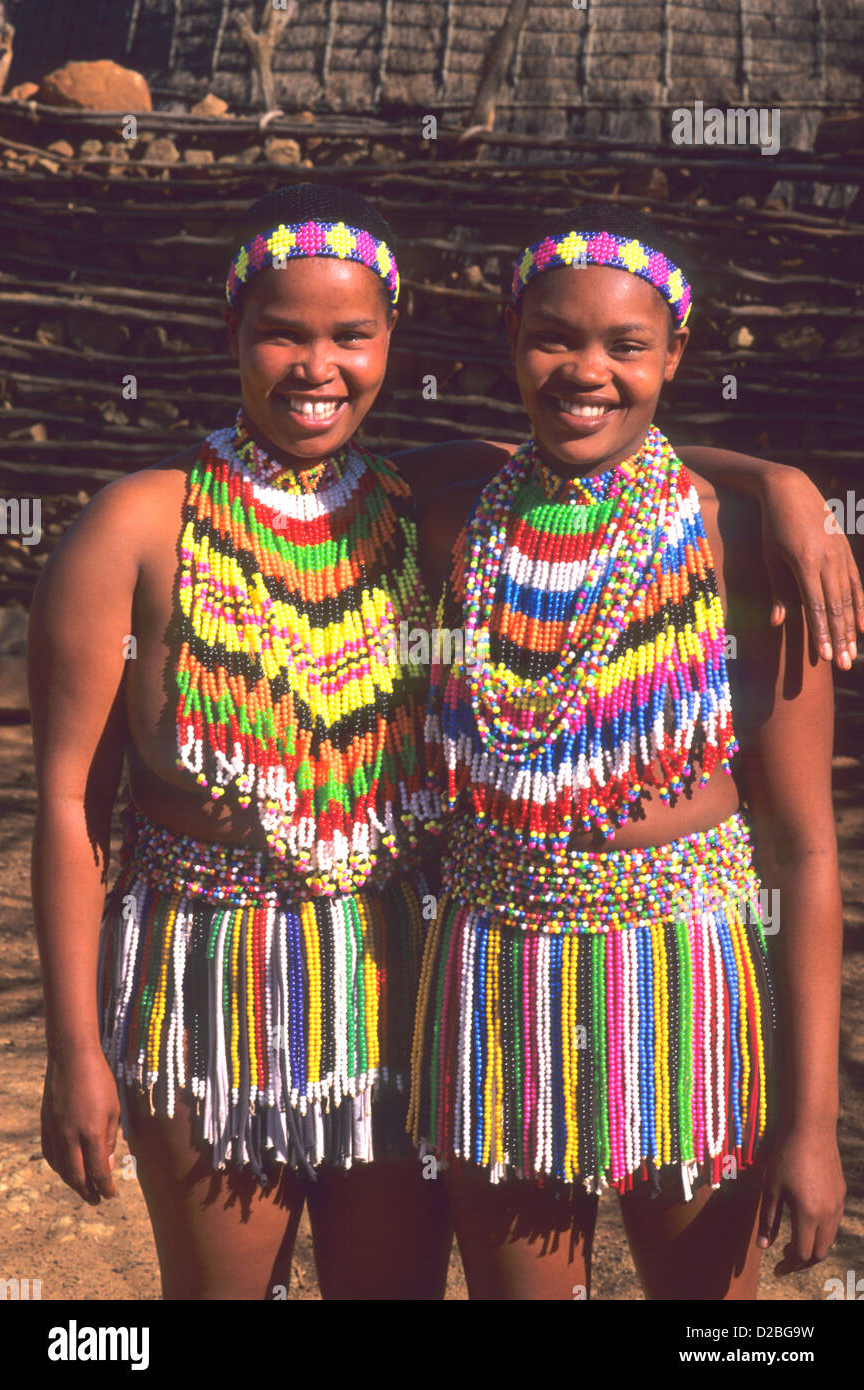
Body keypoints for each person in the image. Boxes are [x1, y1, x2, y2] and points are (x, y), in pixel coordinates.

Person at [31, 187, 857, 1302]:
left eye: (351, 336)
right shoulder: (404, 508)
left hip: (608, 984)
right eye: (284, 330)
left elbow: (803, 851)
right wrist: (74, 1054)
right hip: (373, 990)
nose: (317, 365)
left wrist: (785, 485)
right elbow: (74, 807)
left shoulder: (703, 539)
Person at [407, 205, 849, 1300]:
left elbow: (800, 853)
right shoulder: (455, 509)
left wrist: (809, 1124)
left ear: (675, 355)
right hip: (491, 981)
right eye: (553, 337)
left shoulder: (736, 544)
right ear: (509, 340)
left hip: (684, 982)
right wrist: (768, 467)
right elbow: (299, 462)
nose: (583, 370)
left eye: (625, 345)